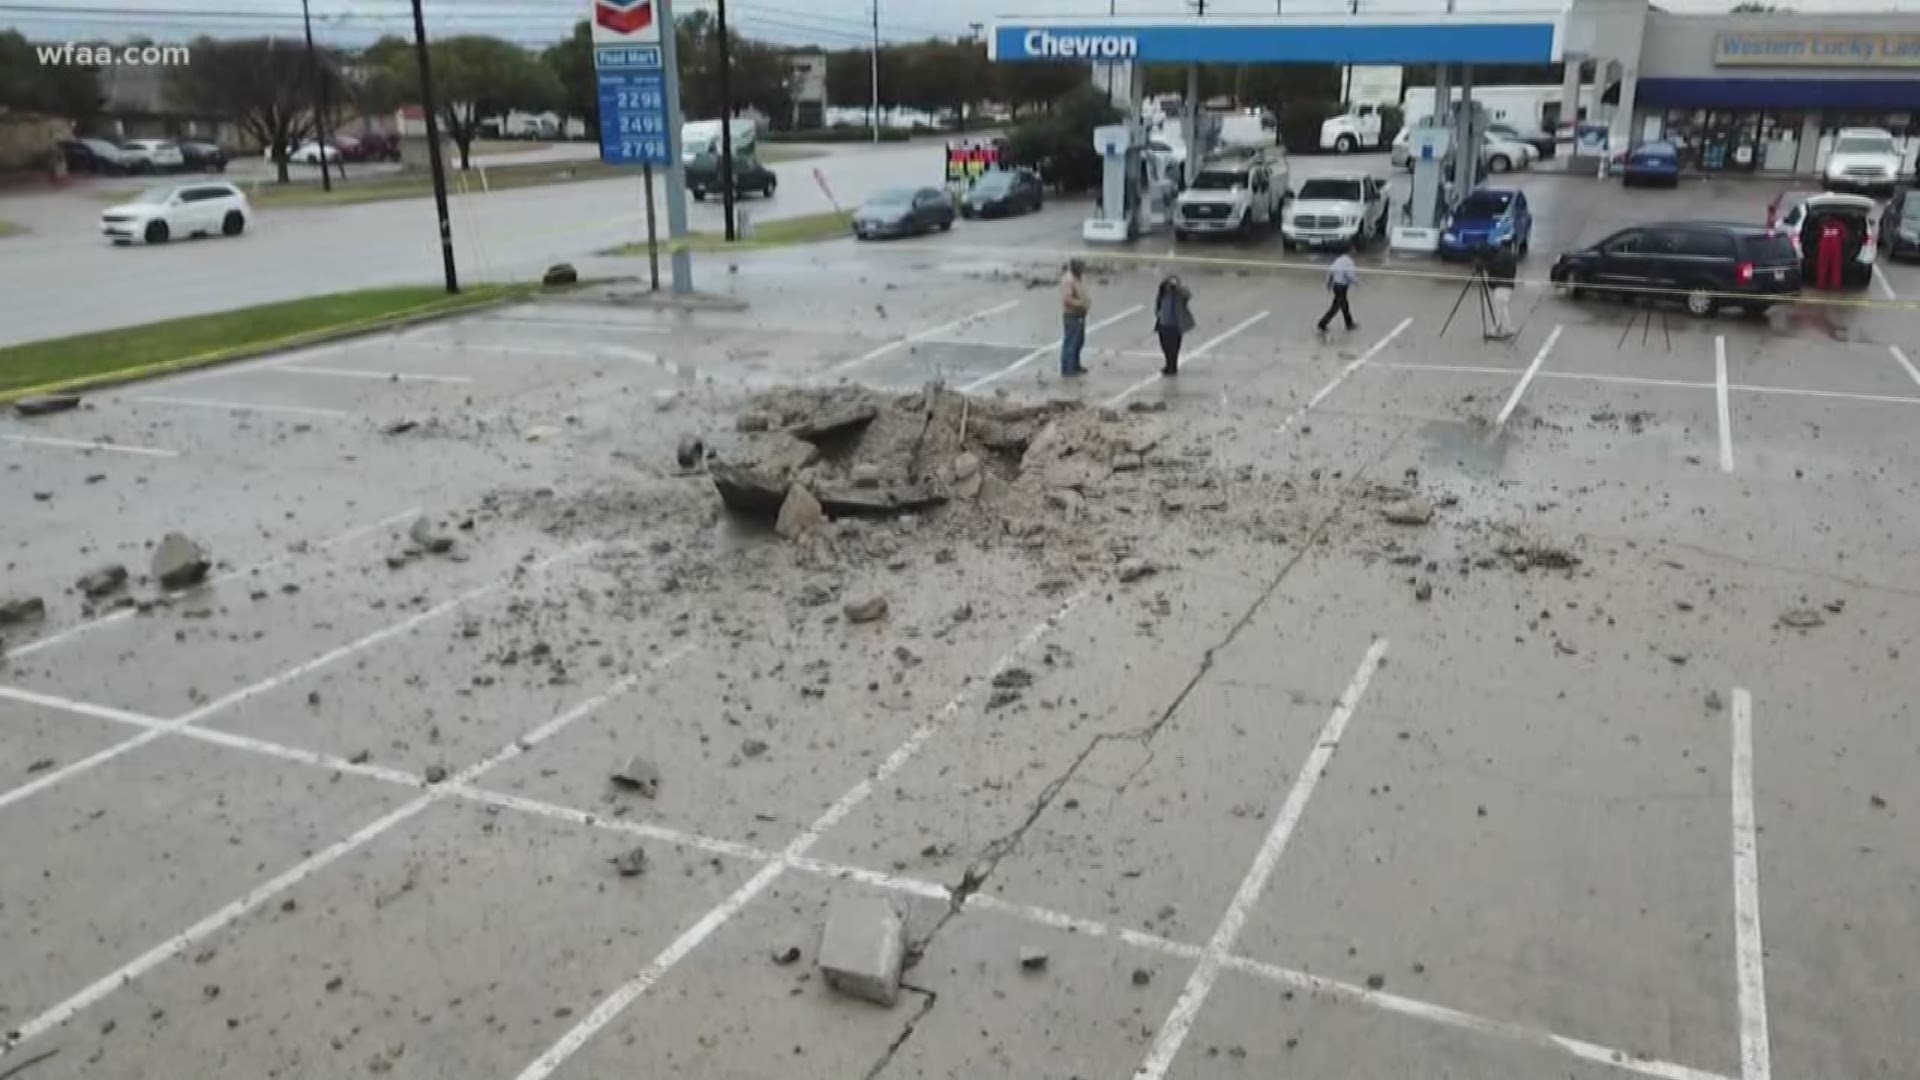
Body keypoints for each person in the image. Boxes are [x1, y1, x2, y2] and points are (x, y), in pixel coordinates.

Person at [1153, 273, 1196, 376]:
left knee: (1174, 347)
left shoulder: (1179, 294)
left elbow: (1188, 295)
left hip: (1175, 324)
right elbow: (1158, 303)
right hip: (1163, 323)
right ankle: (1168, 364)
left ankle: (1172, 366)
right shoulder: (1163, 292)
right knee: (1165, 346)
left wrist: (1177, 288)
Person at [1059, 259, 1091, 377]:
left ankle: (1075, 364)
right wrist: (1081, 304)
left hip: (1079, 314)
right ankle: (1067, 368)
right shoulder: (1069, 280)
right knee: (1071, 342)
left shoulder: (1077, 278)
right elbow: (1067, 299)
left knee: (1078, 341)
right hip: (1072, 315)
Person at [1317, 251, 1359, 335]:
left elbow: (1331, 271)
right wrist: (1356, 282)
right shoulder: (1349, 262)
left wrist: (1329, 283)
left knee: (1344, 305)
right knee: (1336, 307)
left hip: (1336, 286)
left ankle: (1349, 323)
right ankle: (1322, 323)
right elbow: (1349, 274)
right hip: (1342, 287)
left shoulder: (1338, 260)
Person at [1484, 242, 1519, 339]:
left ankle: (1507, 328)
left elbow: (1495, 269)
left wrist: (1486, 266)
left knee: (1501, 308)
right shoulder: (1507, 255)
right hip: (1507, 284)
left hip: (1502, 285)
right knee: (1501, 308)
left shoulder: (1500, 258)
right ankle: (1498, 329)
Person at [1815, 218, 1845, 291]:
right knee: (1836, 267)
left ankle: (1821, 284)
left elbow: (1817, 235)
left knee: (1822, 266)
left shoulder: (1822, 225)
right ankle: (1836, 284)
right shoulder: (1840, 225)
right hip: (1836, 247)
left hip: (1824, 247)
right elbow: (1844, 236)